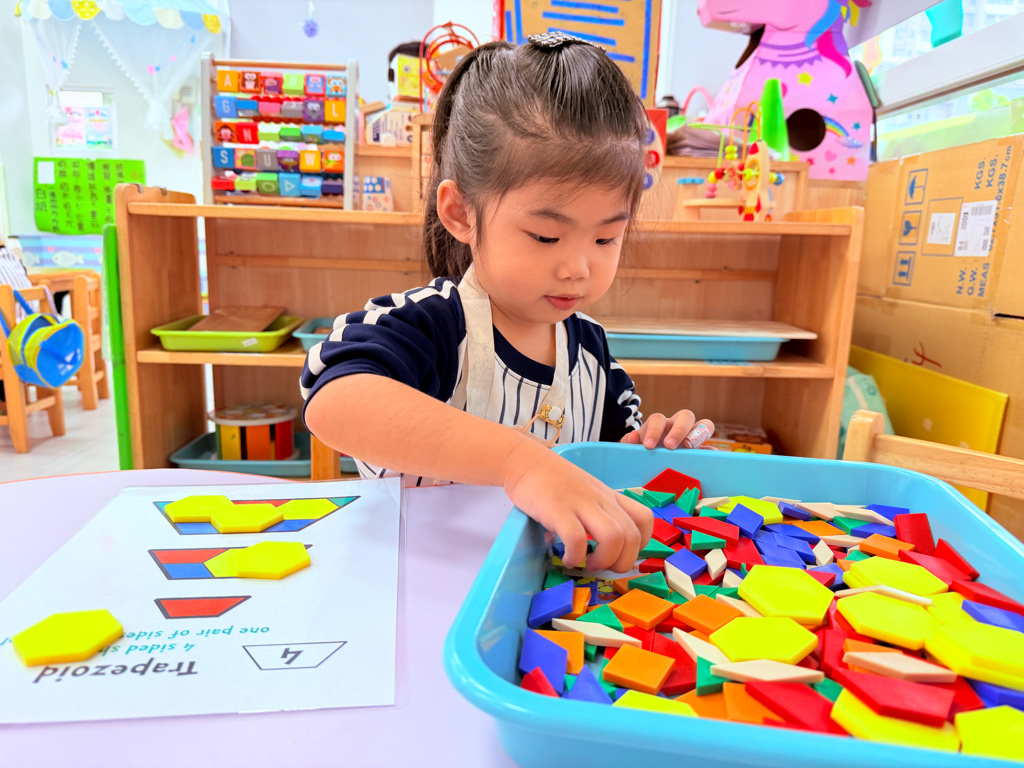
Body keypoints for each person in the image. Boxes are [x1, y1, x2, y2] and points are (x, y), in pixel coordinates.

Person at [301, 34, 715, 573]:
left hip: (538, 597)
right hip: (413, 583)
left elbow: (613, 470)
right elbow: (335, 400)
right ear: (461, 213)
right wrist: (519, 462)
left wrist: (658, 451)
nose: (578, 267)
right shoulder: (433, 323)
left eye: (605, 238)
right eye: (546, 236)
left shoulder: (591, 352)